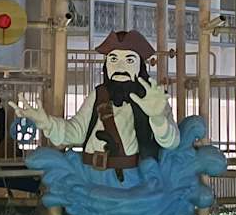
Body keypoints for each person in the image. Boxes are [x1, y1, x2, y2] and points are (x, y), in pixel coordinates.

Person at [22, 30, 179, 180]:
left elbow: (171, 142)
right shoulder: (98, 95)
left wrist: (158, 118)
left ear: (140, 67)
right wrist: (48, 124)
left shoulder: (154, 99)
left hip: (130, 181)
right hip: (90, 176)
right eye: (113, 59)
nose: (120, 67)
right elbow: (77, 131)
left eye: (129, 60)